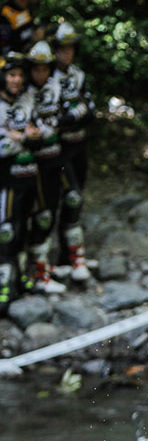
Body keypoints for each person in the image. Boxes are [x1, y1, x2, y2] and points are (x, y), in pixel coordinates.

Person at [52, 22, 95, 283]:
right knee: (70, 197)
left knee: (76, 199)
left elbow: (89, 109)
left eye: (70, 49)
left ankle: (66, 257)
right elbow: (53, 115)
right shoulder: (46, 76)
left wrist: (72, 115)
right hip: (57, 150)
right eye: (62, 49)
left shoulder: (78, 74)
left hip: (79, 144)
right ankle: (65, 259)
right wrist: (71, 114)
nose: (66, 54)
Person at [24, 39, 65, 294]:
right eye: (36, 68)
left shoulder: (57, 87)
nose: (41, 73)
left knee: (52, 211)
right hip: (29, 165)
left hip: (55, 159)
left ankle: (43, 267)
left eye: (44, 68)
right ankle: (35, 273)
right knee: (37, 216)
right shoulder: (22, 93)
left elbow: (64, 116)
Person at [0, 52, 38, 314]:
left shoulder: (27, 100)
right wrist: (15, 138)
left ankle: (21, 275)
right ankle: (3, 284)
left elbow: (41, 130)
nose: (16, 80)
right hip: (6, 180)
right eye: (12, 75)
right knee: (7, 229)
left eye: (19, 76)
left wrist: (23, 136)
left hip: (30, 174)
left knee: (24, 226)